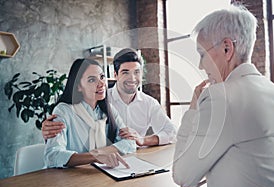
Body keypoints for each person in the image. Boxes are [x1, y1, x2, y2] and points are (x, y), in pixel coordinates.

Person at [172, 4, 274, 187]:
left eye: (202, 54)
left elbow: (182, 175)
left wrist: (192, 111)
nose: (200, 64)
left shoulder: (220, 98)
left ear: (226, 48)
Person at [42, 48, 177, 147]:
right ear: (115, 74)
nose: (132, 78)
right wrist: (49, 131)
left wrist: (143, 140)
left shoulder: (149, 103)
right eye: (125, 72)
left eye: (137, 72)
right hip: (104, 163)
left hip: (132, 158)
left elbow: (171, 132)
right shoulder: (100, 100)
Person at [44, 58, 136, 168]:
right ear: (78, 86)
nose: (101, 84)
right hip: (69, 178)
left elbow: (130, 143)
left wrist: (101, 152)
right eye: (92, 80)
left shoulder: (108, 109)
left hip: (99, 174)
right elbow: (53, 155)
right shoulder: (64, 111)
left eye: (102, 77)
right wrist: (95, 156)